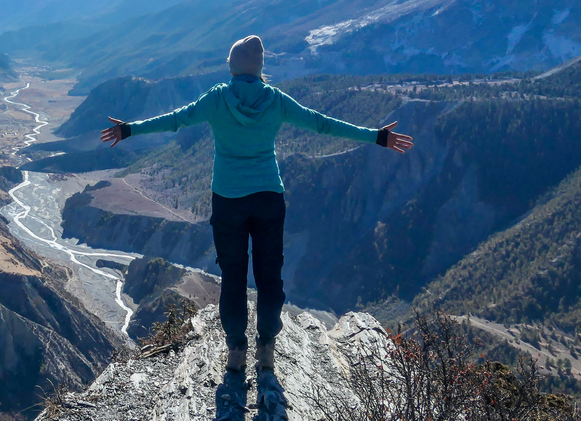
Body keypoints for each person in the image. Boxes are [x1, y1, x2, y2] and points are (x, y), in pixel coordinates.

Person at [100, 35, 413, 374]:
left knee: (233, 276)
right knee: (269, 275)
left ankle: (236, 348)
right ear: (260, 68)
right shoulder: (275, 100)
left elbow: (176, 119)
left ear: (232, 67)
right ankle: (266, 346)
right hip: (268, 197)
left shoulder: (218, 99)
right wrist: (376, 136)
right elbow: (321, 123)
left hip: (228, 200)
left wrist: (130, 130)